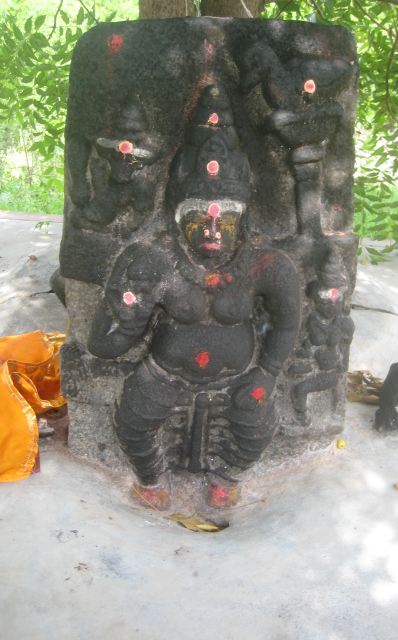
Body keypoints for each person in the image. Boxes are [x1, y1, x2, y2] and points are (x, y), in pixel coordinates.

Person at [87, 84, 300, 503]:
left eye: (225, 221)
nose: (212, 230)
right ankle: (151, 480)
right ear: (177, 216)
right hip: (164, 373)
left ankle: (227, 478)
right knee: (132, 423)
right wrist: (120, 318)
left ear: (242, 218)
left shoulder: (264, 265)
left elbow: (288, 319)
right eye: (199, 219)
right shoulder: (153, 260)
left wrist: (268, 371)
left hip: (239, 376)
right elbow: (108, 345)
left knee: (258, 428)